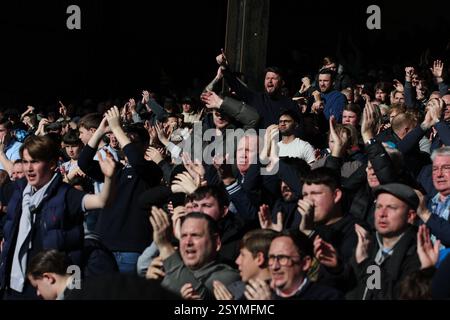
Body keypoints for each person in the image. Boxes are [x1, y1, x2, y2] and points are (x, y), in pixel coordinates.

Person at [0, 134, 116, 299]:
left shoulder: (66, 194)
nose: (28, 168)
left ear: (52, 164)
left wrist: (110, 177)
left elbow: (103, 200)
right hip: (14, 285)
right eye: (25, 162)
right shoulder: (18, 191)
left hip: (48, 288)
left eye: (35, 162)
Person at [347, 183, 421, 300]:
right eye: (379, 207)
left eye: (391, 207)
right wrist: (335, 267)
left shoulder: (418, 254)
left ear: (410, 216)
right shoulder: (367, 244)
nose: (382, 214)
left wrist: (363, 265)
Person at [150, 210, 239, 299]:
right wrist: (151, 284)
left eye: (195, 235)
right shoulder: (166, 271)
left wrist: (165, 247)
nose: (188, 242)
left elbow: (200, 293)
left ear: (216, 242)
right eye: (184, 235)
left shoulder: (228, 277)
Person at [244, 230, 343, 300]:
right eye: (272, 258)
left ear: (305, 263)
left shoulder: (327, 296)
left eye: (282, 258)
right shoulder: (256, 296)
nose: (275, 266)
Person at [213, 229, 277, 300]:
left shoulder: (282, 294)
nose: (237, 261)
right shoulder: (237, 289)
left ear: (259, 259)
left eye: (243, 255)